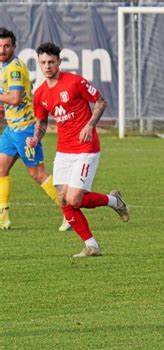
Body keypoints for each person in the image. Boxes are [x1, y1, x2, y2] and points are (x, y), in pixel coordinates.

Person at [28, 42, 129, 257]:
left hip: (86, 148)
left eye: (51, 62)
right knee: (63, 200)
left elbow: (101, 102)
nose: (47, 66)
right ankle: (92, 245)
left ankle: (114, 201)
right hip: (64, 151)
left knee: (75, 199)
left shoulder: (75, 82)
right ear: (39, 63)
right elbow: (42, 121)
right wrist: (36, 137)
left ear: (59, 62)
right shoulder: (40, 93)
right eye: (43, 62)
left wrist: (90, 125)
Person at [0, 27, 69, 231]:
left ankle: (69, 212)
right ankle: (3, 217)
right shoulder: (4, 65)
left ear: (14, 47)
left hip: (25, 130)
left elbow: (15, 98)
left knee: (38, 173)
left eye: (6, 46)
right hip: (12, 129)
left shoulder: (13, 68)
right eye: (0, 46)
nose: (2, 50)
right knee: (1, 169)